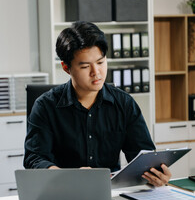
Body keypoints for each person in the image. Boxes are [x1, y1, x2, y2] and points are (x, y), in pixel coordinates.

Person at [24, 21, 171, 187]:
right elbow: (34, 159)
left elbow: (142, 156)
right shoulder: (45, 106)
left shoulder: (124, 103)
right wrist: (68, 175)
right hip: (62, 190)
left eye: (100, 63)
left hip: (111, 191)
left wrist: (155, 174)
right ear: (66, 68)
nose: (96, 72)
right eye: (86, 66)